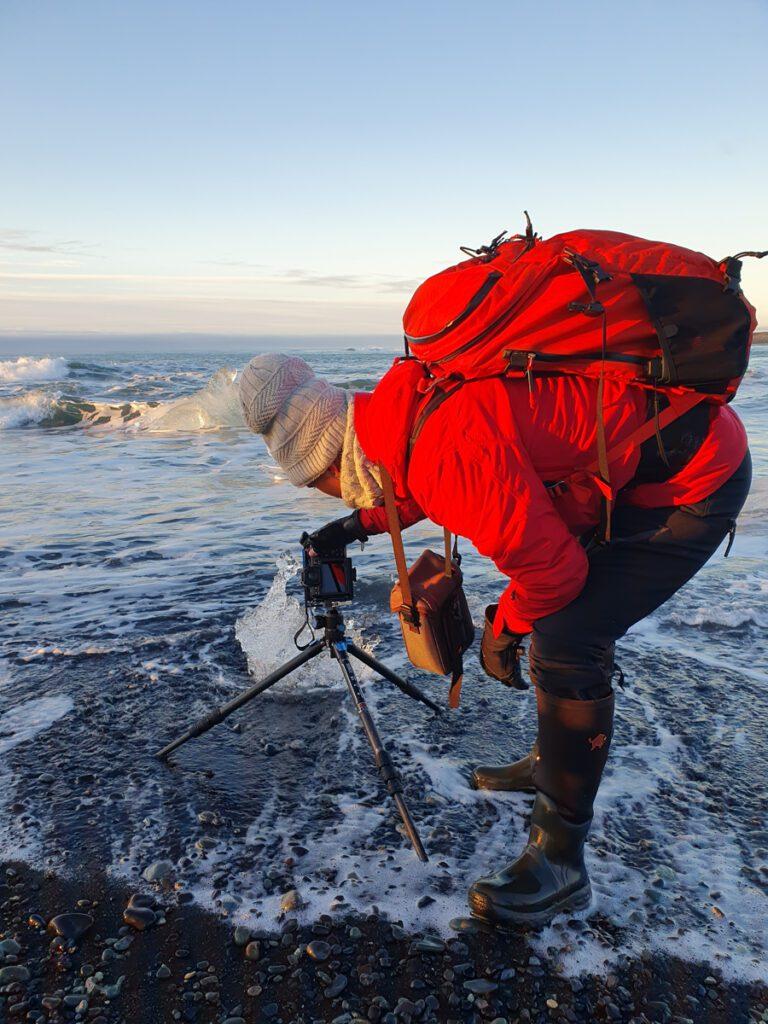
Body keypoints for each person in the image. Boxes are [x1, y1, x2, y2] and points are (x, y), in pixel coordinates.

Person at [238, 350, 751, 928]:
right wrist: (353, 527)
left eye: (320, 488)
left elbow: (552, 573)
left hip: (693, 480)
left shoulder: (440, 451)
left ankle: (560, 865)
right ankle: (547, 764)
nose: (328, 497)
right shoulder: (397, 412)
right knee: (563, 618)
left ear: (335, 463)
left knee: (566, 637)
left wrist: (498, 631)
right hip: (647, 460)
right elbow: (413, 482)